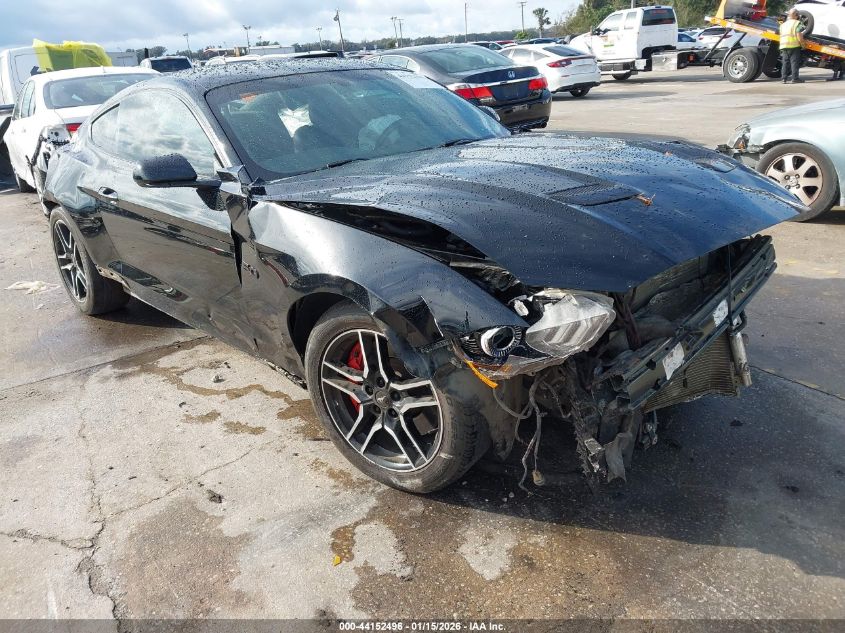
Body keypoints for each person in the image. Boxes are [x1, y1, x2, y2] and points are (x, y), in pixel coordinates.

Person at [779, 9, 805, 84]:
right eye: (798, 15)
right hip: (794, 45)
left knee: (785, 63)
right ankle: (795, 79)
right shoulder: (797, 23)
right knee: (794, 63)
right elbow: (799, 35)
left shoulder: (783, 24)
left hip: (784, 45)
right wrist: (803, 45)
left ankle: (783, 79)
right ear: (796, 15)